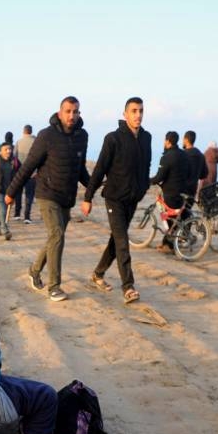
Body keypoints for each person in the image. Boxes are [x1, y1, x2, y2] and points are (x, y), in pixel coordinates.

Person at [6, 96, 90, 302]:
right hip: (47, 193)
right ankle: (54, 286)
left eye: (75, 111)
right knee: (57, 235)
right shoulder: (46, 136)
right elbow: (28, 166)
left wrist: (93, 189)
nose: (72, 115)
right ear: (60, 112)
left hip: (66, 196)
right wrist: (11, 192)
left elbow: (81, 169)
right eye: (68, 111)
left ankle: (34, 271)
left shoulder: (82, 136)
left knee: (55, 237)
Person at [81, 97, 151, 304]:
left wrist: (143, 187)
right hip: (114, 198)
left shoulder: (146, 138)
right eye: (134, 111)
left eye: (141, 111)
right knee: (122, 242)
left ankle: (98, 274)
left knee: (116, 240)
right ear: (125, 114)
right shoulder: (113, 138)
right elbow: (100, 168)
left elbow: (146, 166)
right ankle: (128, 286)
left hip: (132, 198)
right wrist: (88, 197)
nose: (138, 115)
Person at [149, 131, 191, 251]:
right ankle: (167, 243)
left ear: (167, 141)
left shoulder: (167, 157)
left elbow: (159, 177)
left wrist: (149, 181)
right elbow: (188, 173)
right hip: (183, 191)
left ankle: (169, 245)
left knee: (167, 217)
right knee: (175, 218)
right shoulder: (184, 155)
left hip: (170, 193)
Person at [13, 124, 37, 222]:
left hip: (20, 173)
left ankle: (17, 214)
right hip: (32, 173)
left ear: (24, 131)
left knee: (18, 193)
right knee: (29, 195)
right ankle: (27, 216)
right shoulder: (36, 142)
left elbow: (14, 158)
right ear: (31, 131)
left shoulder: (19, 142)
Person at [182, 131, 208, 196]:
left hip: (181, 189)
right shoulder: (201, 155)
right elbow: (204, 174)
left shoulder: (182, 154)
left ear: (186, 140)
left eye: (183, 139)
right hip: (192, 191)